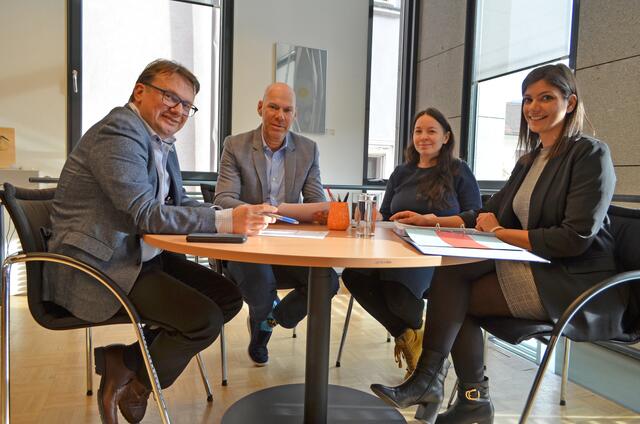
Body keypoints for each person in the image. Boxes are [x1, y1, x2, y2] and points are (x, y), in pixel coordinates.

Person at [370, 63, 627, 424]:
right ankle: (458, 394)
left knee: (456, 298)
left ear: (569, 103)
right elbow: (487, 212)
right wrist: (434, 221)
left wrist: (502, 233)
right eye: (527, 99)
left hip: (575, 278)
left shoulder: (590, 155)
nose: (533, 107)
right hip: (537, 263)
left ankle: (449, 389)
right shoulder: (530, 160)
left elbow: (575, 238)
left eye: (546, 98)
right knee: (452, 274)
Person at [44, 59, 276, 424]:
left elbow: (179, 203)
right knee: (203, 320)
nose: (179, 110)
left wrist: (235, 212)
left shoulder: (161, 140)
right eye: (171, 96)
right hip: (101, 265)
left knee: (229, 297)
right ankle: (135, 379)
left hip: (140, 255)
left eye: (187, 105)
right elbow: (145, 213)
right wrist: (228, 219)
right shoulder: (118, 132)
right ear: (140, 91)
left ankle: (124, 364)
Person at [342, 108, 481, 379]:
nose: (423, 137)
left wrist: (430, 220)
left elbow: (475, 216)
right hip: (393, 246)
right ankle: (412, 336)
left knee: (397, 295)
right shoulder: (401, 172)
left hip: (434, 253)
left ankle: (422, 346)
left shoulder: (458, 171)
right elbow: (384, 213)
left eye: (431, 131)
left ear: (446, 137)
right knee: (353, 276)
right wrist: (372, 216)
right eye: (418, 131)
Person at [214, 82, 339, 366]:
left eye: (287, 110)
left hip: (290, 243)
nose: (279, 116)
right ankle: (262, 324)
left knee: (328, 281)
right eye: (273, 107)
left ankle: (268, 320)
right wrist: (260, 211)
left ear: (294, 115)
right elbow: (223, 199)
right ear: (261, 108)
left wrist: (322, 212)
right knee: (261, 283)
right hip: (247, 242)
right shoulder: (236, 145)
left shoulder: (308, 150)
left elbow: (315, 201)